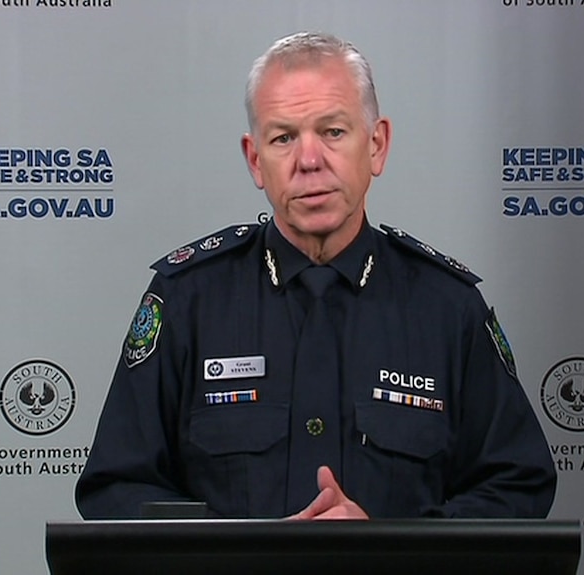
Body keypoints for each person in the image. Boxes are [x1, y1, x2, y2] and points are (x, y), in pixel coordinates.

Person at [75, 31, 556, 520]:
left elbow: (518, 485)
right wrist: (239, 554)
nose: (309, 161)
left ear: (377, 145)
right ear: (255, 159)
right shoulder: (187, 300)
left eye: (332, 132)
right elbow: (116, 490)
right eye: (284, 137)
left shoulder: (448, 308)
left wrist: (392, 548)